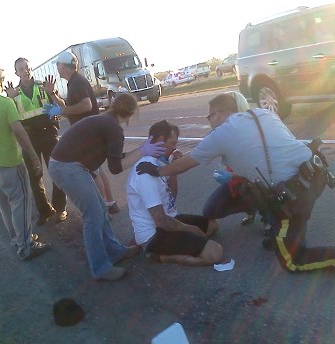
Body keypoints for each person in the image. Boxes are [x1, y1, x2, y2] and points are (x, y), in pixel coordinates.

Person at [136, 93, 335, 273]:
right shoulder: (264, 113)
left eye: (209, 117)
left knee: (294, 262)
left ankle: (295, 236)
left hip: (294, 195)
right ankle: (283, 230)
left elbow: (184, 164)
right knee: (253, 188)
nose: (210, 121)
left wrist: (157, 170)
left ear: (217, 114)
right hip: (316, 174)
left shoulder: (222, 133)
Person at [48, 93, 166, 281]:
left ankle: (115, 251)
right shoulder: (113, 128)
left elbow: (115, 156)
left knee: (101, 210)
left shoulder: (106, 120)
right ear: (131, 113)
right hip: (67, 167)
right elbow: (116, 167)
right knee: (93, 216)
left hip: (66, 164)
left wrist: (142, 149)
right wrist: (143, 151)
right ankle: (100, 267)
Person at [0, 67, 49, 261]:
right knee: (20, 202)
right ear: (1, 81)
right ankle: (26, 246)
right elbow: (19, 132)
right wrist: (32, 156)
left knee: (5, 206)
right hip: (9, 161)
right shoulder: (5, 103)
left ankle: (18, 239)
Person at [127, 120, 222, 265]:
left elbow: (172, 199)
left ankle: (175, 245)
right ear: (160, 141)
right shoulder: (145, 171)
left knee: (213, 226)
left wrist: (173, 169)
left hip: (169, 221)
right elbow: (161, 221)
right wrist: (193, 230)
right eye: (173, 143)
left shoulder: (160, 164)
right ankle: (159, 256)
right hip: (153, 234)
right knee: (215, 253)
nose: (175, 148)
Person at [44, 50, 120, 214]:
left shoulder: (76, 82)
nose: (56, 68)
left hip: (88, 136)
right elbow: (68, 106)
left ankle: (101, 208)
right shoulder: (74, 82)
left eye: (57, 65)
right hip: (92, 133)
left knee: (92, 172)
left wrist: (61, 111)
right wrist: (53, 95)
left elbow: (86, 105)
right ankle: (110, 202)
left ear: (63, 67)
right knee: (98, 170)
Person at [5, 57, 67, 224]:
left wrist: (52, 92)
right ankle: (45, 211)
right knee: (34, 177)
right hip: (28, 139)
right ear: (16, 72)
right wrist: (9, 99)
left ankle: (60, 209)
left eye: (27, 67)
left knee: (57, 172)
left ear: (30, 68)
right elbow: (10, 118)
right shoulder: (13, 93)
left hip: (48, 134)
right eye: (20, 69)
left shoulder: (43, 86)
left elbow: (61, 107)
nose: (25, 71)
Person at [206, 91, 271, 234]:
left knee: (249, 188)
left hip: (257, 180)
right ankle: (249, 208)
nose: (211, 119)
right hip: (237, 180)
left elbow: (255, 170)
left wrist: (232, 175)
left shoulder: (248, 133)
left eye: (211, 116)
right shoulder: (224, 132)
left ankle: (269, 218)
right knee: (210, 209)